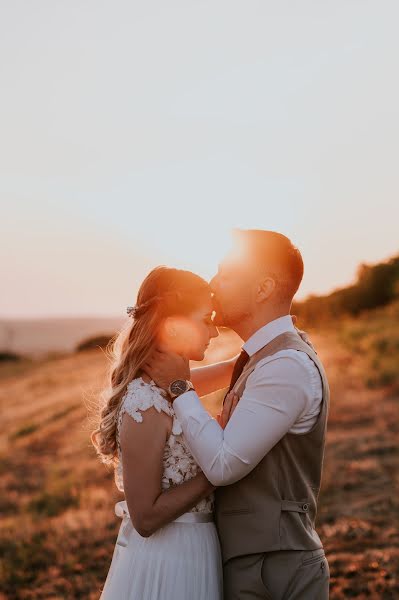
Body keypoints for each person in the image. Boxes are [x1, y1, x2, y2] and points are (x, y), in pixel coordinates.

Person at [145, 229, 331, 599]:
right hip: (253, 562)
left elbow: (223, 464)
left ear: (263, 288)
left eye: (227, 275)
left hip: (273, 569)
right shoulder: (264, 357)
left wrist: (180, 388)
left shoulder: (285, 366)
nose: (213, 285)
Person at [91, 266, 233, 600]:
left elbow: (230, 369)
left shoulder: (172, 386)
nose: (213, 331)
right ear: (174, 326)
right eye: (205, 319)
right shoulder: (145, 403)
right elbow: (145, 516)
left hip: (199, 548)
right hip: (169, 560)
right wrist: (218, 472)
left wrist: (279, 342)